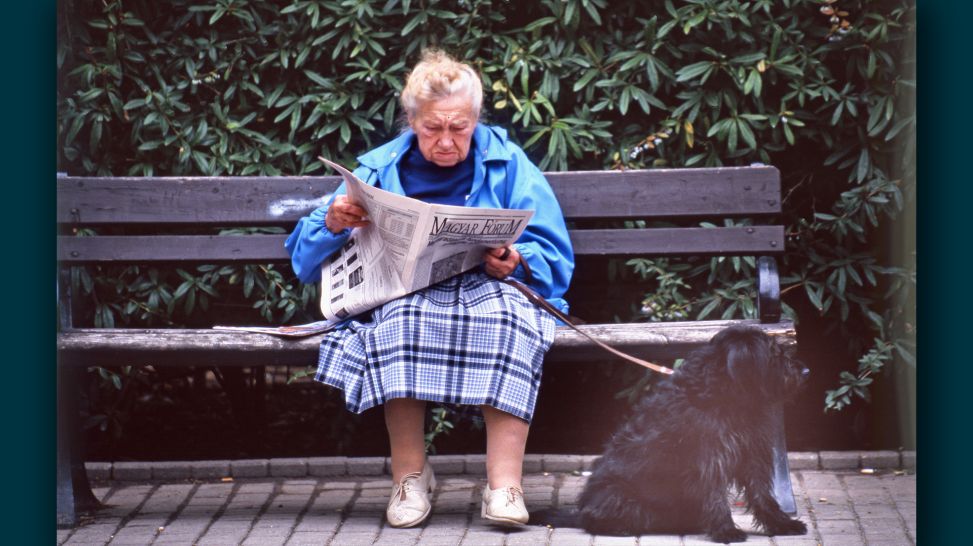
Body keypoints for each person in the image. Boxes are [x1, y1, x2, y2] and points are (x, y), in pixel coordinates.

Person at [285, 49, 574, 528]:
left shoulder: (508, 163)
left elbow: (554, 251)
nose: (445, 141)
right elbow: (302, 259)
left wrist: (518, 260)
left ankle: (505, 486)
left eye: (459, 128)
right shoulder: (378, 168)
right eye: (432, 129)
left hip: (491, 290)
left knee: (511, 322)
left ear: (476, 120)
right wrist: (331, 222)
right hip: (409, 294)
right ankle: (409, 479)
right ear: (412, 121)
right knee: (395, 323)